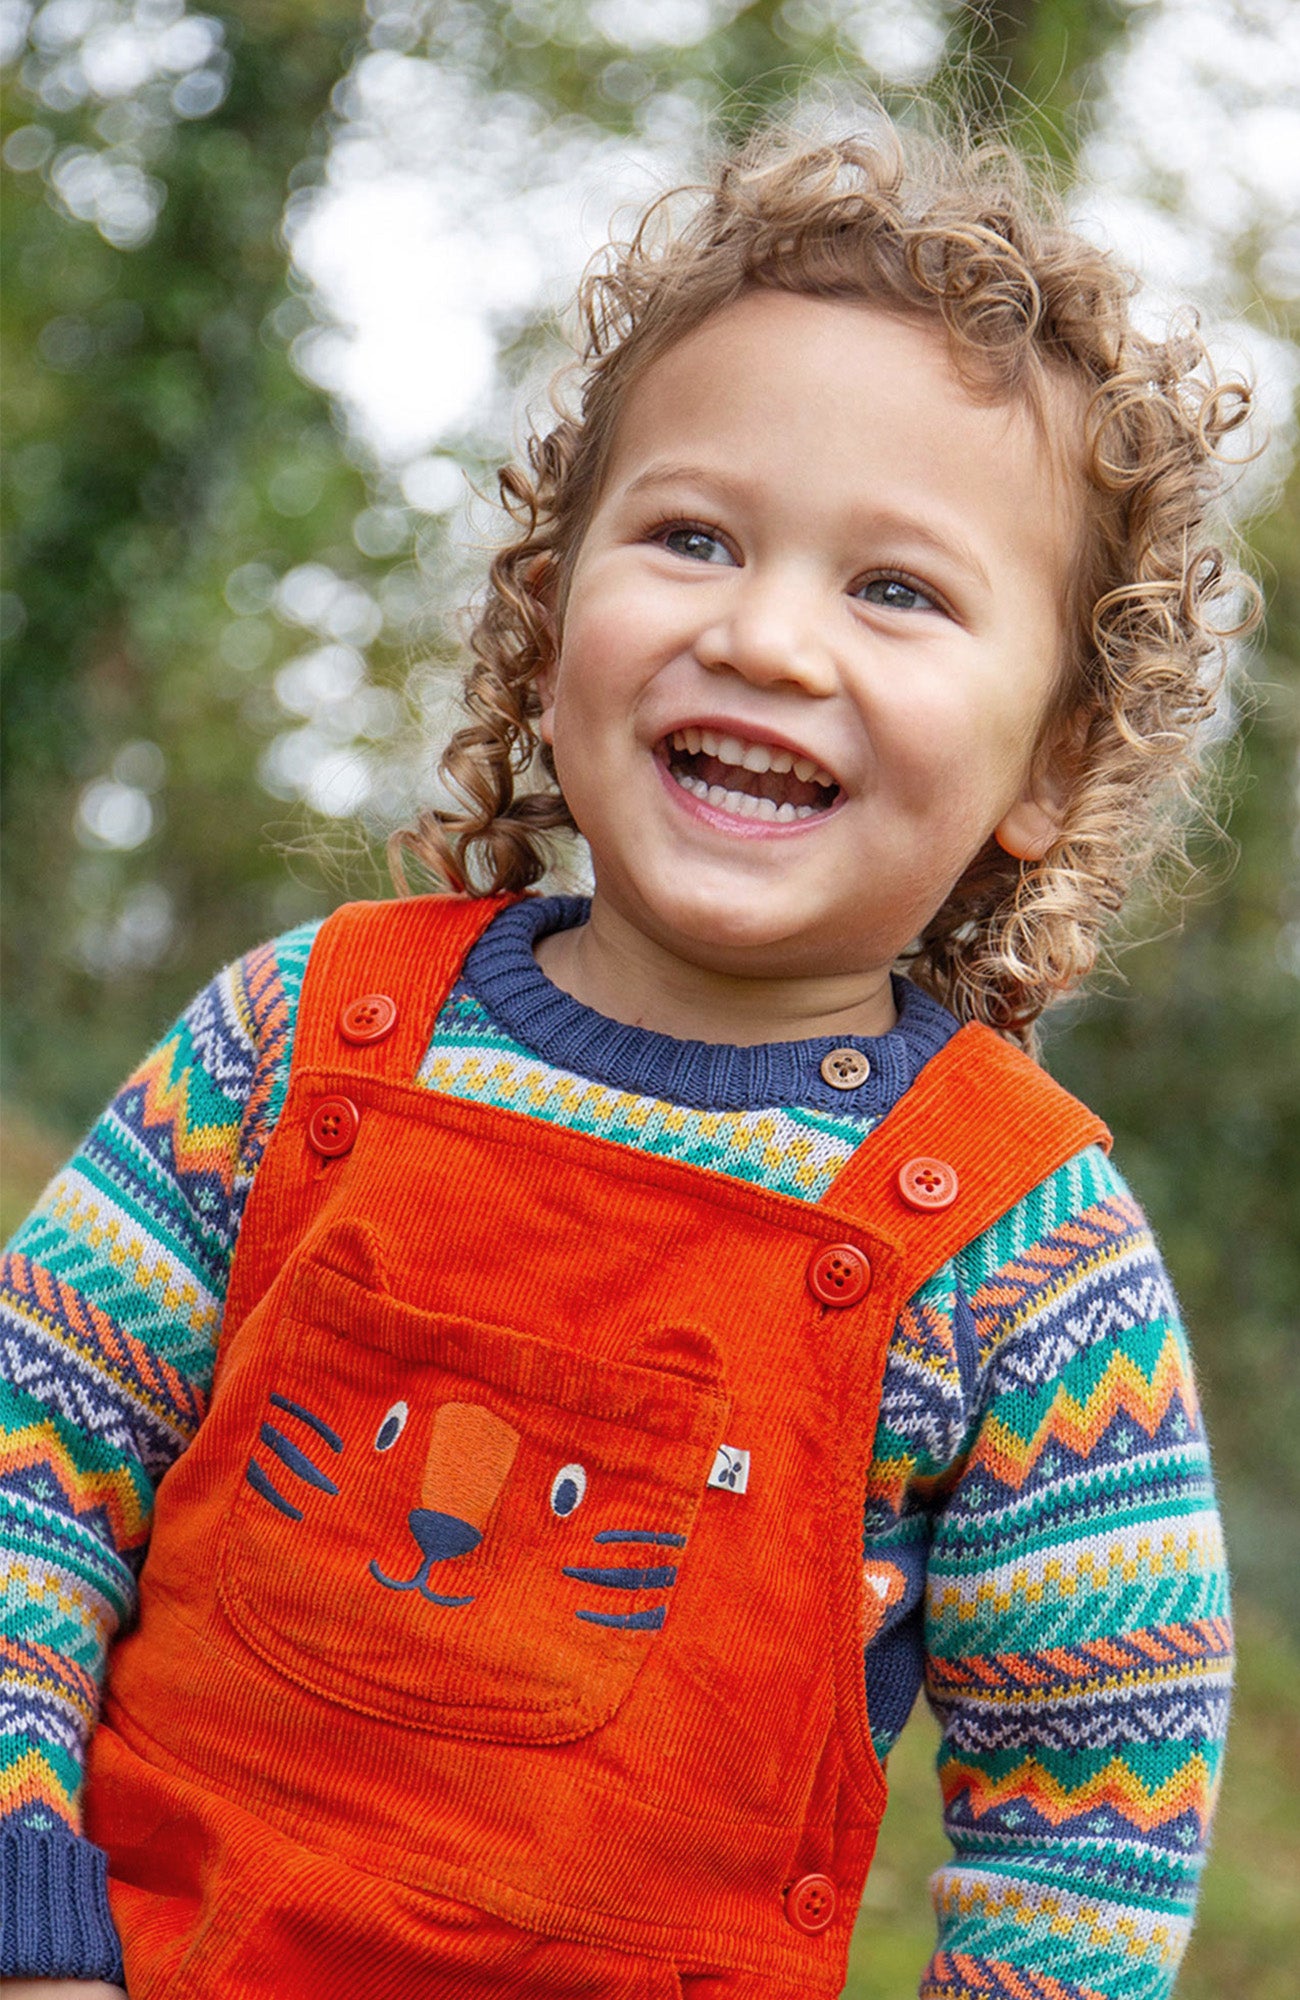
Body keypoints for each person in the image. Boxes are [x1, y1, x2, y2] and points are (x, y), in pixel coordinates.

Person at [1, 108, 1248, 2000]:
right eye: (690, 536)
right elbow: (39, 1455)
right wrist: (29, 1891)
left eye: (894, 590)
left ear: (1051, 767)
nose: (763, 634)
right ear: (551, 603)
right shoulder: (291, 1040)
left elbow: (1095, 1809)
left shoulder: (1022, 1253)